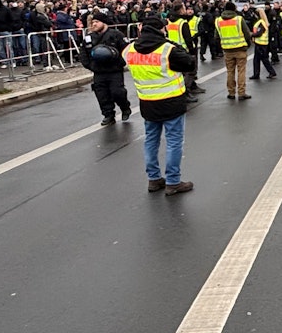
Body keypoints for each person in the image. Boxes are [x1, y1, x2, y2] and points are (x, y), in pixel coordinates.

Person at [123, 16, 196, 196]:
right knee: (174, 142)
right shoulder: (167, 49)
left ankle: (154, 179)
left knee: (150, 140)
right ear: (162, 29)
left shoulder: (129, 50)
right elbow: (189, 62)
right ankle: (173, 181)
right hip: (171, 102)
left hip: (147, 104)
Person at [79, 12, 132, 126]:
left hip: (114, 71)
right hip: (99, 72)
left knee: (118, 92)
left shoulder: (116, 35)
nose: (94, 24)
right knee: (102, 95)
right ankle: (108, 115)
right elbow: (83, 53)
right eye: (93, 22)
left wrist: (120, 63)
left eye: (97, 22)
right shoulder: (89, 37)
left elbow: (127, 50)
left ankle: (125, 108)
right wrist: (90, 65)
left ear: (104, 22)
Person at [215, 1, 255, 100]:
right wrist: (248, 45)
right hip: (240, 48)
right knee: (241, 71)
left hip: (227, 50)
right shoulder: (239, 19)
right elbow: (246, 34)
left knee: (230, 71)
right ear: (234, 9)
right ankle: (241, 93)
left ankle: (231, 92)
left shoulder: (218, 20)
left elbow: (216, 36)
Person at [249, 7, 278, 80]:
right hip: (260, 43)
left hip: (261, 44)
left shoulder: (261, 23)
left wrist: (251, 34)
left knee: (264, 59)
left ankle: (271, 72)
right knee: (257, 59)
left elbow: (259, 33)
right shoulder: (262, 22)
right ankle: (256, 74)